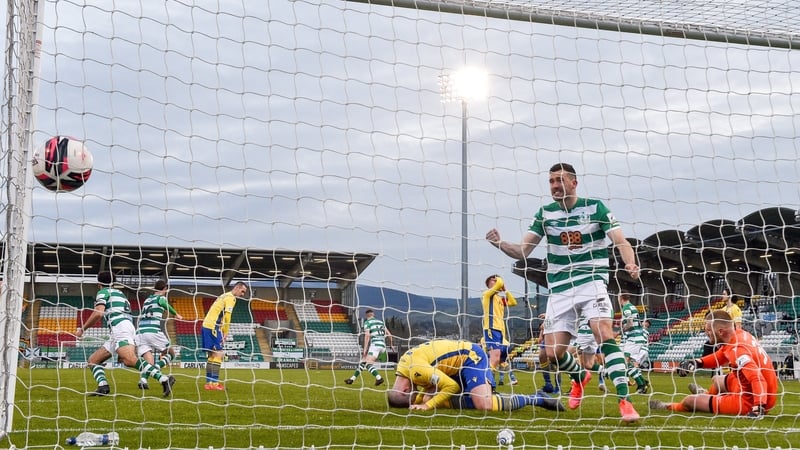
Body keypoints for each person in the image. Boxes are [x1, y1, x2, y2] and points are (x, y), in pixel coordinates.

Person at [485, 162, 641, 423]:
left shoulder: (596, 208)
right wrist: (499, 243)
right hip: (559, 289)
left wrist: (630, 262)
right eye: (551, 181)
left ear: (573, 182)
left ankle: (625, 401)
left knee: (603, 332)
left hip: (592, 282)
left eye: (559, 180)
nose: (555, 186)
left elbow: (621, 241)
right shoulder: (545, 214)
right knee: (552, 352)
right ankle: (580, 375)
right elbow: (523, 251)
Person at [650, 310, 778, 418]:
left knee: (690, 401)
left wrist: (758, 406)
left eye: (708, 330)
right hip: (758, 390)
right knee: (717, 379)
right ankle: (705, 394)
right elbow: (721, 355)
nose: (706, 333)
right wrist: (697, 363)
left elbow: (757, 378)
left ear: (721, 331)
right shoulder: (739, 335)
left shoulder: (738, 350)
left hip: (749, 400)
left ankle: (668, 405)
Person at [386, 339, 563, 412]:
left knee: (483, 404)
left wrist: (427, 405)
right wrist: (418, 401)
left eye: (412, 394)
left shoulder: (416, 371)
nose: (415, 393)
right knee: (428, 395)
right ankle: (488, 394)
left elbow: (451, 386)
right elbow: (430, 382)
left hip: (470, 358)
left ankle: (537, 398)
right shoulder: (403, 366)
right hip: (453, 368)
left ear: (405, 388)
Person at [76, 271, 175, 397]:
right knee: (93, 361)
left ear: (99, 283)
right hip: (123, 328)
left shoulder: (103, 292)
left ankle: (164, 379)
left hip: (120, 328)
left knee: (129, 359)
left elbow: (98, 313)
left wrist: (82, 329)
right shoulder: (120, 293)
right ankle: (103, 386)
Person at [135, 279, 183, 390]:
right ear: (165, 289)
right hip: (152, 331)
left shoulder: (147, 300)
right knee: (171, 353)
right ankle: (157, 369)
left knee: (149, 360)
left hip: (140, 332)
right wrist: (176, 314)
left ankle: (143, 380)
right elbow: (163, 303)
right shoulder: (160, 298)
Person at [201, 281, 249, 390]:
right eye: (242, 291)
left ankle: (209, 383)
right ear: (237, 288)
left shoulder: (223, 295)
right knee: (219, 354)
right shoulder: (231, 298)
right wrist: (225, 331)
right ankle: (215, 384)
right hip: (213, 326)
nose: (242, 294)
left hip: (206, 325)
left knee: (212, 355)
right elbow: (228, 316)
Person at [480, 274, 517, 384]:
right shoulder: (487, 295)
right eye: (493, 280)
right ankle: (488, 382)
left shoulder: (500, 299)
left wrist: (505, 290)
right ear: (488, 284)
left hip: (501, 332)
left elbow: (513, 302)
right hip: (491, 329)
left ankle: (494, 365)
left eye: (496, 280)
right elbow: (500, 282)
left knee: (506, 350)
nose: (496, 281)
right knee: (495, 357)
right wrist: (500, 281)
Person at [345, 309, 393, 386]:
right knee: (363, 361)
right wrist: (391, 345)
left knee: (368, 364)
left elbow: (367, 336)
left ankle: (379, 378)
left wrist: (365, 349)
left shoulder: (367, 323)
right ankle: (351, 379)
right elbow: (390, 335)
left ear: (366, 316)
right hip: (383, 346)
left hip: (375, 345)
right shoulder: (381, 322)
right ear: (373, 315)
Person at [618, 293, 649, 393]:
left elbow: (630, 324)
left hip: (634, 338)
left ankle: (641, 385)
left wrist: (620, 331)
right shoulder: (633, 307)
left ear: (621, 298)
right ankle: (642, 382)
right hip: (636, 338)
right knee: (627, 363)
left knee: (624, 362)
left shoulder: (626, 308)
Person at [573, 315, 607, 393]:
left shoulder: (581, 305)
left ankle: (574, 384)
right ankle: (604, 371)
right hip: (594, 334)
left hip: (584, 333)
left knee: (564, 354)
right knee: (589, 365)